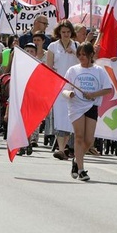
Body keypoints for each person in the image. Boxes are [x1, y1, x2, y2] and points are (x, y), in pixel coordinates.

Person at [63, 42, 113, 182]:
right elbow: (65, 89)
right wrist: (69, 94)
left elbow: (108, 89)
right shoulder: (73, 70)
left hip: (91, 106)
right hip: (76, 106)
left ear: (91, 55)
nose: (81, 57)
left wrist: (94, 94)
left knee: (89, 140)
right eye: (79, 54)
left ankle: (76, 161)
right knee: (79, 137)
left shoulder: (99, 70)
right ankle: (81, 170)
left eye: (84, 54)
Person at [46, 20, 79, 160]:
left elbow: (84, 64)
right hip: (59, 86)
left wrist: (75, 53)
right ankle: (61, 149)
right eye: (63, 32)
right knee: (60, 117)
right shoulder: (53, 46)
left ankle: (68, 148)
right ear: (59, 33)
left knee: (71, 117)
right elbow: (49, 67)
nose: (66, 35)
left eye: (68, 32)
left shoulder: (77, 46)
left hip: (73, 86)